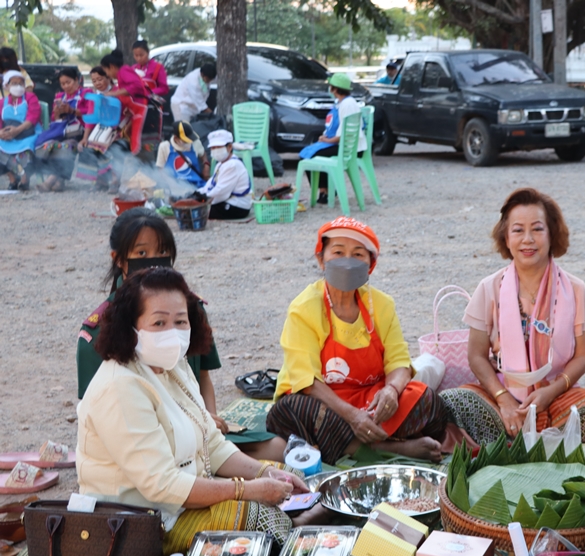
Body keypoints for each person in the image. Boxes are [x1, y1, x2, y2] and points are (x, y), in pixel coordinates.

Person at [77, 267, 310, 555]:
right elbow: (161, 486)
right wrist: (246, 489)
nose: (172, 333)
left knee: (290, 477)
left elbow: (212, 443)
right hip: (140, 526)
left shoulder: (174, 365)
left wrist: (264, 472)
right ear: (130, 327)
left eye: (180, 321)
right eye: (159, 323)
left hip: (182, 502)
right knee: (262, 518)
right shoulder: (119, 387)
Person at [76, 208, 285, 461]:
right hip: (144, 440)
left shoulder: (190, 310)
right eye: (141, 253)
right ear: (119, 259)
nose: (153, 261)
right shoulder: (99, 330)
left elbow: (203, 377)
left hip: (198, 427)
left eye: (163, 252)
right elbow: (100, 415)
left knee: (279, 448)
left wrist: (209, 417)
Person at [266, 217, 449, 465]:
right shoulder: (304, 308)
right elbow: (306, 381)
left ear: (370, 265)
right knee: (291, 411)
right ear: (321, 259)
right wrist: (352, 417)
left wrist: (391, 391)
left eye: (358, 255)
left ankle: (355, 443)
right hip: (324, 401)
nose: (348, 262)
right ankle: (384, 447)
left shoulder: (382, 305)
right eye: (338, 252)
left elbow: (399, 362)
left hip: (371, 399)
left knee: (429, 402)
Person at [441, 188, 585, 446]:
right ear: (506, 239)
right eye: (518, 230)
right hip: (501, 394)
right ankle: (533, 439)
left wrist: (550, 392)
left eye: (538, 229)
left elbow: (584, 355)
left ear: (552, 234)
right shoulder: (489, 287)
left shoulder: (576, 289)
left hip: (555, 396)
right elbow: (476, 355)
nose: (528, 239)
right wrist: (503, 398)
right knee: (456, 401)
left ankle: (509, 443)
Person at [298, 73, 366, 206]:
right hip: (342, 144)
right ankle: (326, 190)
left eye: (330, 86)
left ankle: (326, 190)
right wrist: (325, 137)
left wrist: (327, 141)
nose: (329, 89)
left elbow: (346, 135)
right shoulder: (342, 103)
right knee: (308, 151)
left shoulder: (347, 105)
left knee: (309, 155)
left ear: (334, 89)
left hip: (348, 148)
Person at [34, 67, 91, 192]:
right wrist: (58, 113)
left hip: (80, 132)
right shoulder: (60, 96)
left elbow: (91, 114)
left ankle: (49, 181)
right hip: (62, 132)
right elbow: (55, 120)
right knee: (50, 145)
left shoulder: (86, 93)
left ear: (77, 80)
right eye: (62, 84)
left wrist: (72, 111)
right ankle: (59, 181)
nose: (65, 86)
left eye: (68, 82)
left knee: (66, 146)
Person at [74, 67, 127, 192]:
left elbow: (126, 115)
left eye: (100, 79)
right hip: (101, 130)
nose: (97, 83)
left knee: (112, 147)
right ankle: (101, 180)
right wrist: (85, 138)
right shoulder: (95, 97)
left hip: (118, 130)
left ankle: (115, 180)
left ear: (108, 78)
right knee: (89, 146)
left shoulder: (118, 92)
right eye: (94, 81)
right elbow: (90, 120)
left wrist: (119, 129)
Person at [195, 129, 252, 220]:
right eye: (213, 148)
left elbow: (221, 191)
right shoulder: (220, 164)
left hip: (238, 206)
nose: (215, 150)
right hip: (226, 200)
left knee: (199, 211)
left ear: (229, 147)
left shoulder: (232, 165)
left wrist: (203, 199)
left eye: (218, 147)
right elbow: (211, 184)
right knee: (196, 206)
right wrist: (199, 192)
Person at [0, 70, 41, 191]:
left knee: (25, 152)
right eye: (14, 83)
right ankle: (13, 178)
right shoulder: (2, 102)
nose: (18, 86)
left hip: (28, 133)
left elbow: (33, 117)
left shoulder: (30, 97)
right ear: (6, 86)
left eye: (21, 83)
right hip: (8, 136)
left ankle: (24, 178)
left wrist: (17, 130)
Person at [156, 121, 208, 188]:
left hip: (196, 185)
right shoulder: (164, 146)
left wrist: (206, 165)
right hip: (175, 186)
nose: (189, 142)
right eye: (185, 141)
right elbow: (160, 169)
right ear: (176, 138)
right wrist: (170, 183)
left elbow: (203, 154)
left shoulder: (195, 143)